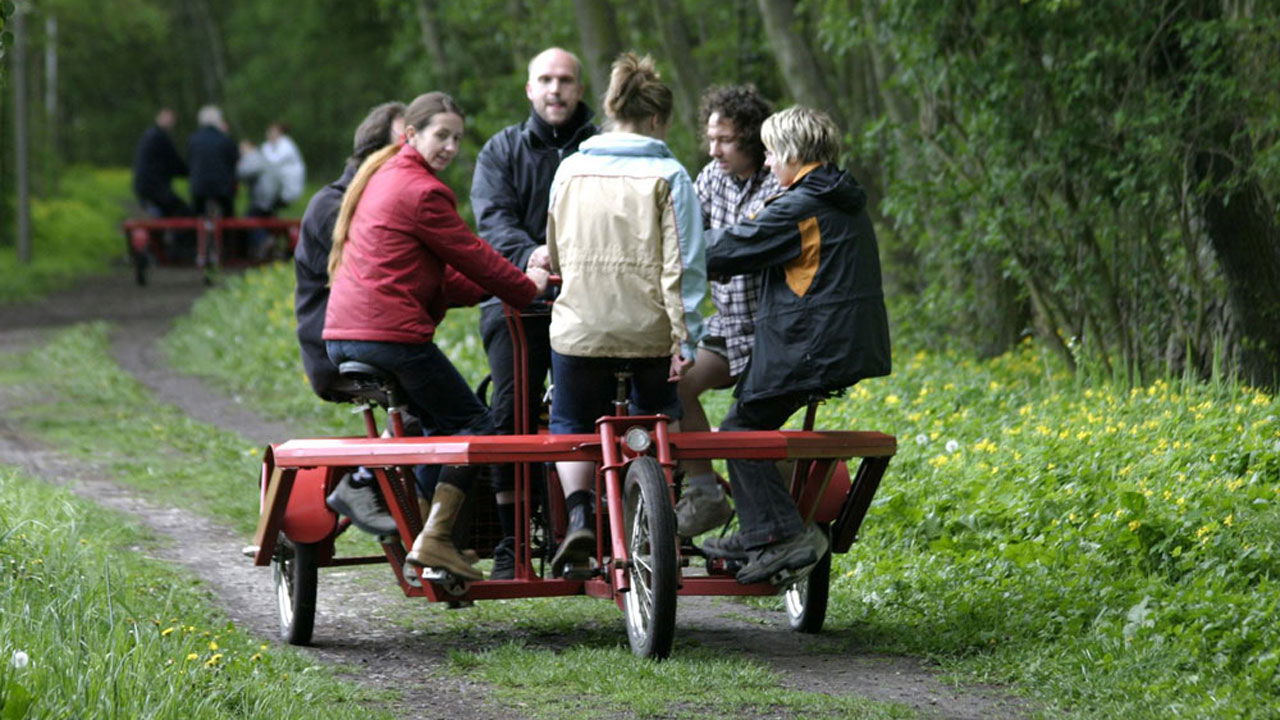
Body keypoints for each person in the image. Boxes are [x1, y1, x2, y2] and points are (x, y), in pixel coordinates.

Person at [324, 92, 550, 581]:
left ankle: (419, 533)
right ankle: (435, 540)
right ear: (412, 134)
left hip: (347, 335)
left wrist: (503, 289)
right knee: (477, 428)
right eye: (439, 135)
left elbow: (446, 278)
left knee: (436, 428)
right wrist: (524, 285)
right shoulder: (421, 191)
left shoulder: (385, 179)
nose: (448, 146)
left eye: (456, 138)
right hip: (388, 335)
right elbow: (470, 253)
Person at [700, 106, 891, 584]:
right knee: (747, 424)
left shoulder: (801, 206)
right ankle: (760, 531)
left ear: (789, 153)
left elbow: (728, 248)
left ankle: (782, 537)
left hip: (813, 345)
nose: (766, 164)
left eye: (769, 154)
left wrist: (661, 246)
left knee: (741, 433)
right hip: (842, 342)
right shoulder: (835, 195)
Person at [544, 52, 706, 576]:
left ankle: (579, 518)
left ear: (612, 109)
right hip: (648, 332)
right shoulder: (670, 175)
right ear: (657, 119)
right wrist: (687, 341)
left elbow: (556, 249)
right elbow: (683, 268)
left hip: (579, 327)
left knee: (570, 422)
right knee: (660, 416)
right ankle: (656, 524)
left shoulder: (570, 168)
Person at [470, 47, 598, 579]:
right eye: (545, 79)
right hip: (515, 300)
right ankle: (510, 540)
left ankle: (590, 526)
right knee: (510, 412)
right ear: (529, 88)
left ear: (579, 87)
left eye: (564, 80)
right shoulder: (500, 150)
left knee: (597, 408)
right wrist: (532, 254)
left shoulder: (601, 149)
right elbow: (491, 221)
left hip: (591, 300)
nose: (555, 90)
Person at [293, 102, 407, 537]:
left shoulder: (379, 205)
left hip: (374, 340)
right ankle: (362, 483)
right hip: (335, 350)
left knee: (453, 402)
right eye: (401, 144)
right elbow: (376, 278)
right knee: (436, 402)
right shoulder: (332, 207)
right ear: (373, 153)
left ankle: (427, 519)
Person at [674, 85, 782, 539]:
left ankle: (769, 518)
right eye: (711, 138)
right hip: (727, 327)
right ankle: (703, 493)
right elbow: (681, 236)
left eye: (726, 140)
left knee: (746, 429)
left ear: (753, 140)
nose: (714, 149)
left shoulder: (781, 180)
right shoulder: (710, 178)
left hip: (773, 331)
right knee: (674, 384)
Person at [131, 108, 191, 217]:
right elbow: (174, 162)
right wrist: (192, 172)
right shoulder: (161, 138)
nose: (169, 122)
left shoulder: (150, 135)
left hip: (144, 187)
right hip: (155, 188)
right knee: (184, 213)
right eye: (167, 118)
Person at [188, 105, 239, 219]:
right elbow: (234, 162)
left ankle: (194, 234)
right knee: (228, 214)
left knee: (196, 213)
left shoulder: (193, 140)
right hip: (222, 188)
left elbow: (190, 162)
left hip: (199, 187)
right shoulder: (226, 139)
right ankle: (229, 235)